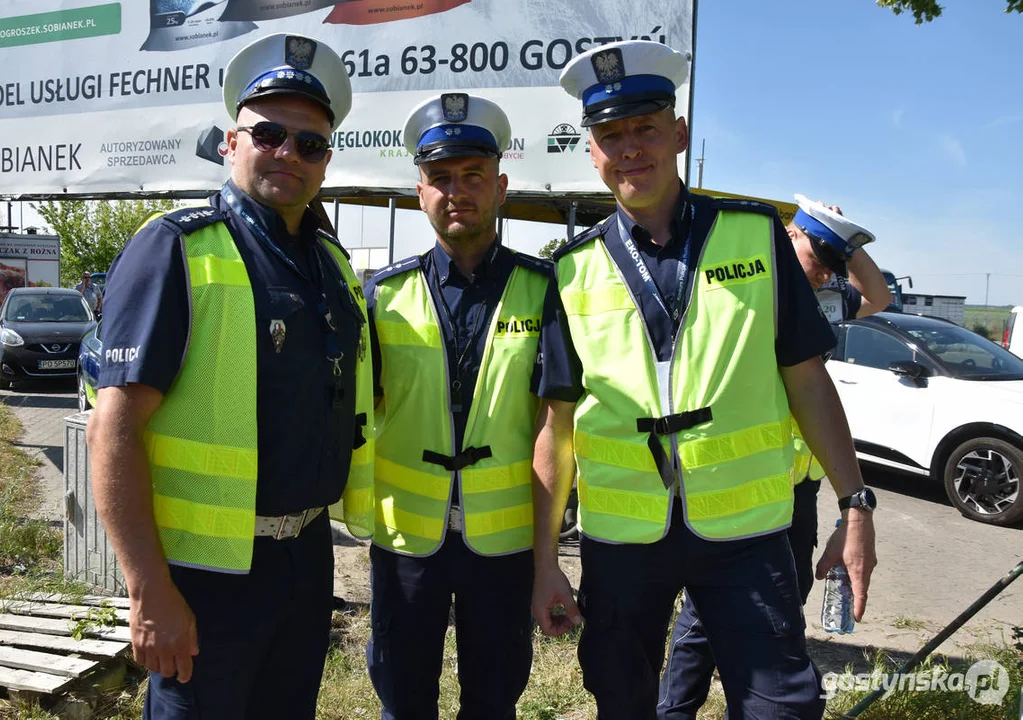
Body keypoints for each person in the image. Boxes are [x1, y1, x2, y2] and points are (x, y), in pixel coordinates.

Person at [530, 40, 878, 720]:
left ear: (678, 133)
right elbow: (556, 424)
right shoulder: (569, 269)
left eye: (644, 128)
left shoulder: (754, 236)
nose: (629, 148)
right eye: (610, 135)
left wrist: (854, 504)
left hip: (746, 535)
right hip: (622, 542)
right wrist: (545, 561)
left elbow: (806, 379)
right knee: (624, 701)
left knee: (782, 705)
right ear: (592, 151)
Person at [87, 33, 374, 720]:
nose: (287, 153)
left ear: (326, 161)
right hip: (203, 578)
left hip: (306, 559)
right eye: (269, 133)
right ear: (230, 142)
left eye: (310, 144)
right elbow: (113, 426)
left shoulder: (331, 266)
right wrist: (147, 590)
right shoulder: (175, 247)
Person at [658, 198, 891, 718]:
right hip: (742, 488)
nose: (827, 272)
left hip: (796, 493)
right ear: (788, 237)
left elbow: (879, 295)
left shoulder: (822, 300)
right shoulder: (742, 292)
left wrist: (846, 248)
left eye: (835, 265)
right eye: (819, 256)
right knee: (703, 618)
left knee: (783, 605)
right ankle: (674, 709)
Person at [364, 92, 549, 719]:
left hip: (504, 544)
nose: (456, 191)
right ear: (419, 192)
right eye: (439, 178)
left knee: (494, 701)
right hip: (406, 540)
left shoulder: (547, 292)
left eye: (472, 176)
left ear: (501, 187)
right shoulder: (382, 295)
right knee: (403, 699)